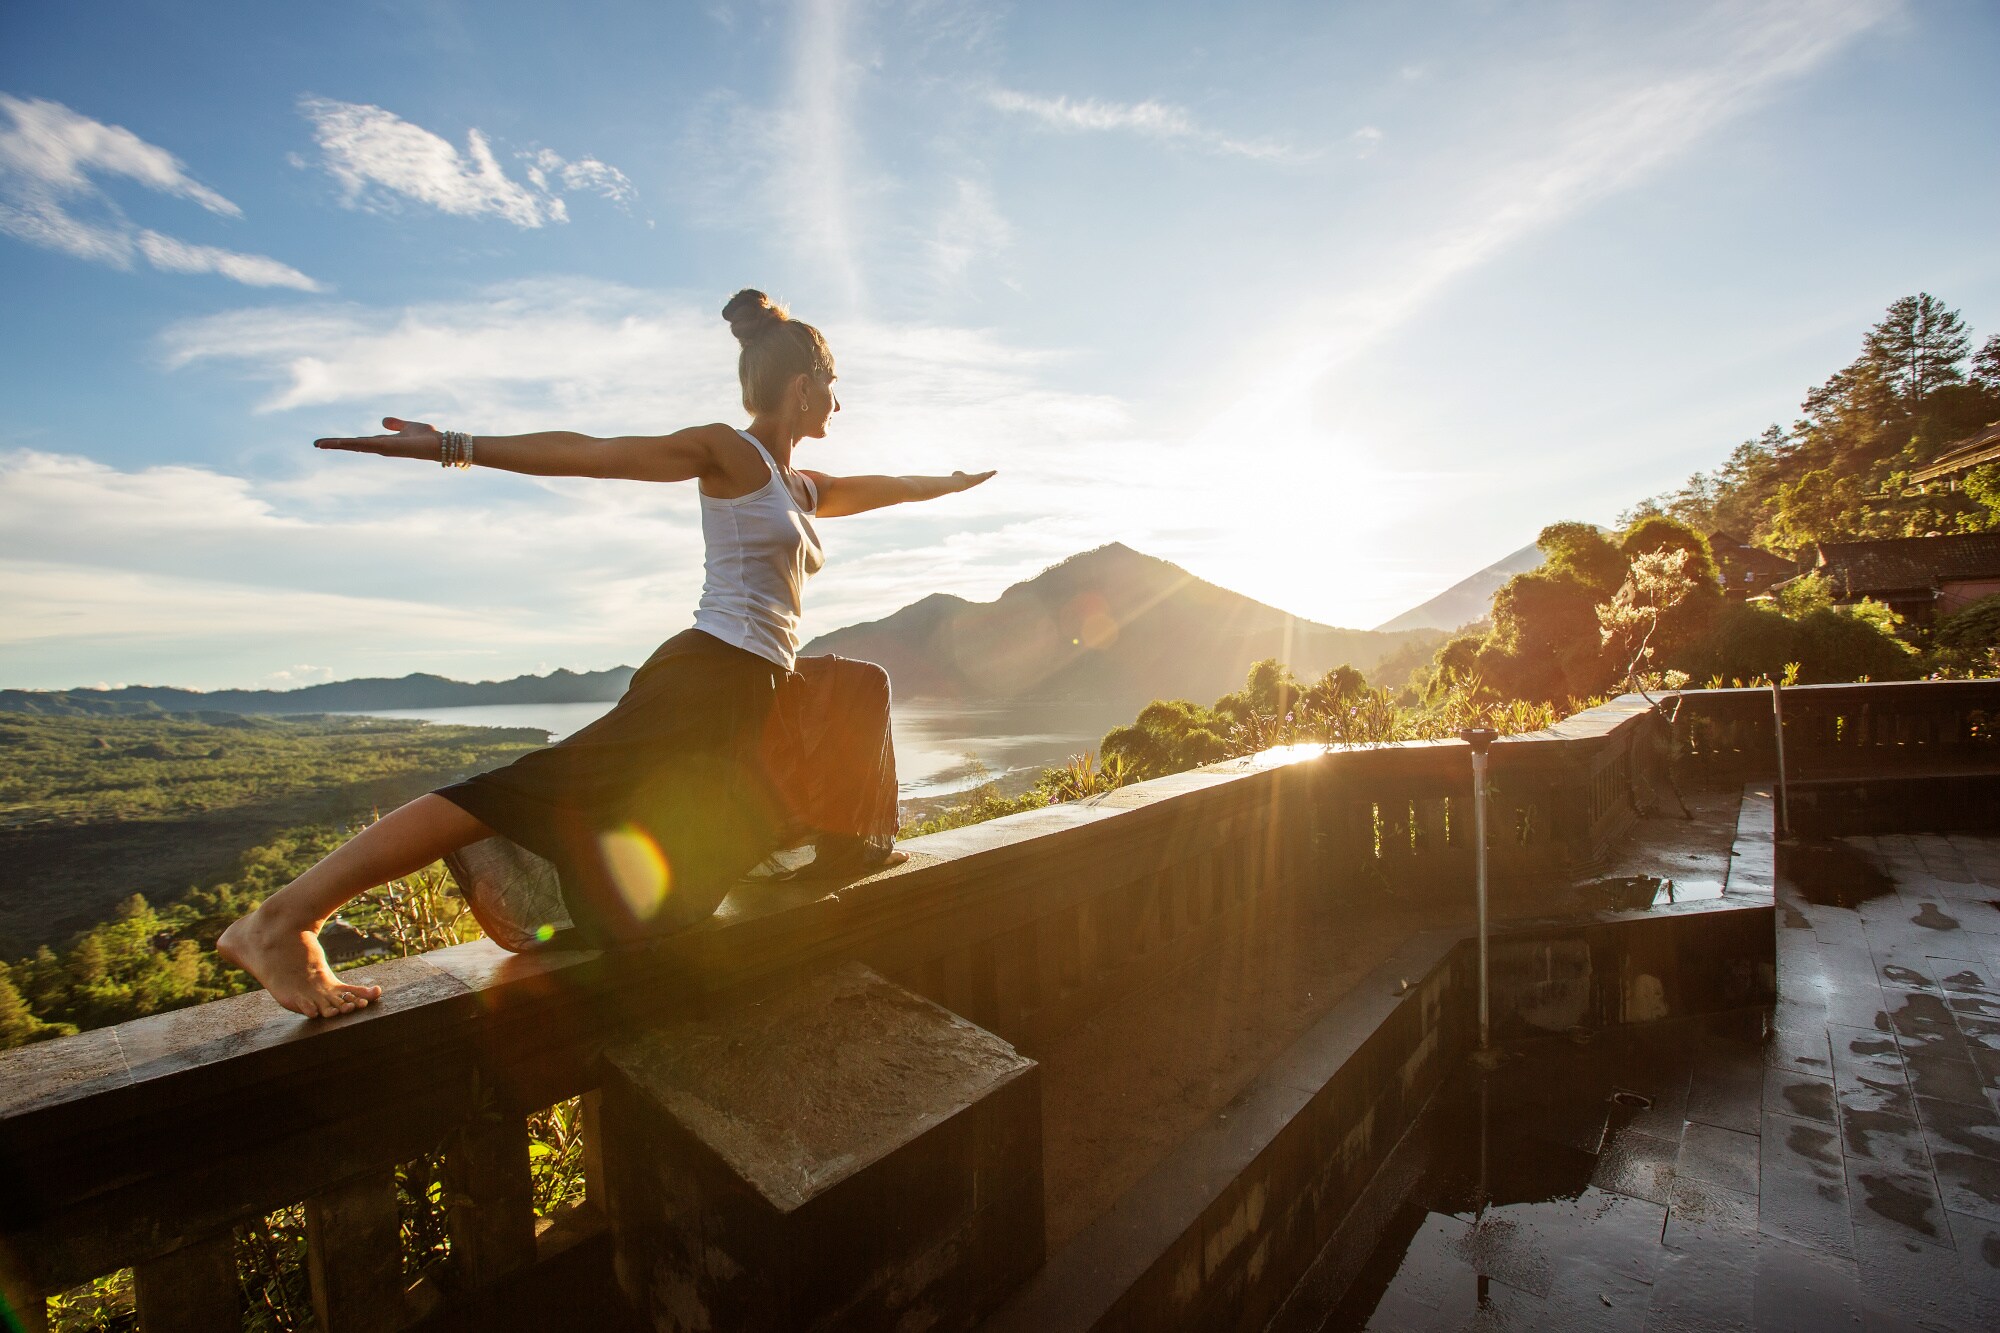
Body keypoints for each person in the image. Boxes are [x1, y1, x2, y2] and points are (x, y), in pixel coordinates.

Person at [218, 289, 995, 1019]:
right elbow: (593, 453)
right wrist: (451, 446)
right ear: (805, 384)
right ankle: (284, 919)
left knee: (838, 709)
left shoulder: (799, 486)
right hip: (707, 674)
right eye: (836, 387)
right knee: (532, 788)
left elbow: (882, 485)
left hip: (755, 685)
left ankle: (805, 855)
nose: (840, 403)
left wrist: (949, 484)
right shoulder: (730, 452)